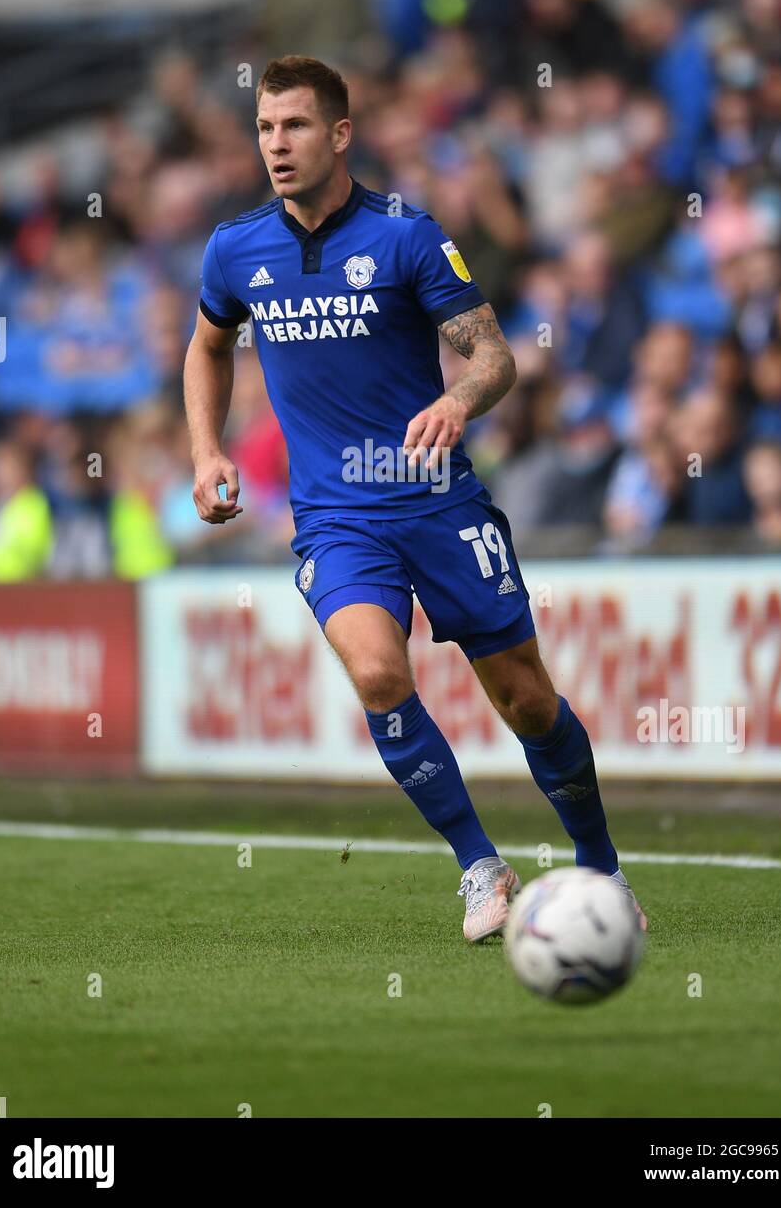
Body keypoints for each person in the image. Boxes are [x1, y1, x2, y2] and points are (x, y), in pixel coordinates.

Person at [183, 55, 646, 941]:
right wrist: (206, 450)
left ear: (340, 133)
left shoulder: (405, 236)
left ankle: (602, 870)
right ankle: (480, 865)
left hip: (437, 502)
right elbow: (207, 345)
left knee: (527, 702)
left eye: (296, 126)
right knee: (377, 671)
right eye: (265, 128)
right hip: (335, 516)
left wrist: (456, 399)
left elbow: (495, 356)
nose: (276, 145)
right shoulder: (235, 248)